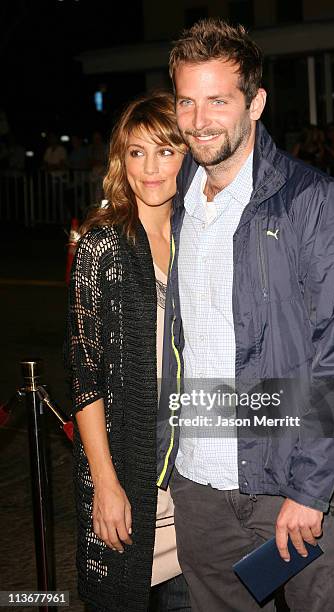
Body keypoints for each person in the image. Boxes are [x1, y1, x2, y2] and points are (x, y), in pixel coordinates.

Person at [157, 18, 334, 612]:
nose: (200, 121)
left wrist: (310, 489)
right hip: (201, 490)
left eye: (219, 101)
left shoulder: (312, 201)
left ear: (256, 103)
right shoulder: (175, 210)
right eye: (187, 102)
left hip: (297, 486)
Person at [66, 92, 190, 612]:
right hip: (129, 481)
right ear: (121, 160)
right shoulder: (105, 245)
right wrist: (105, 484)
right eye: (136, 153)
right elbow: (84, 373)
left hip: (193, 488)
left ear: (187, 155)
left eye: (165, 150)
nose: (151, 168)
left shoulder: (199, 238)